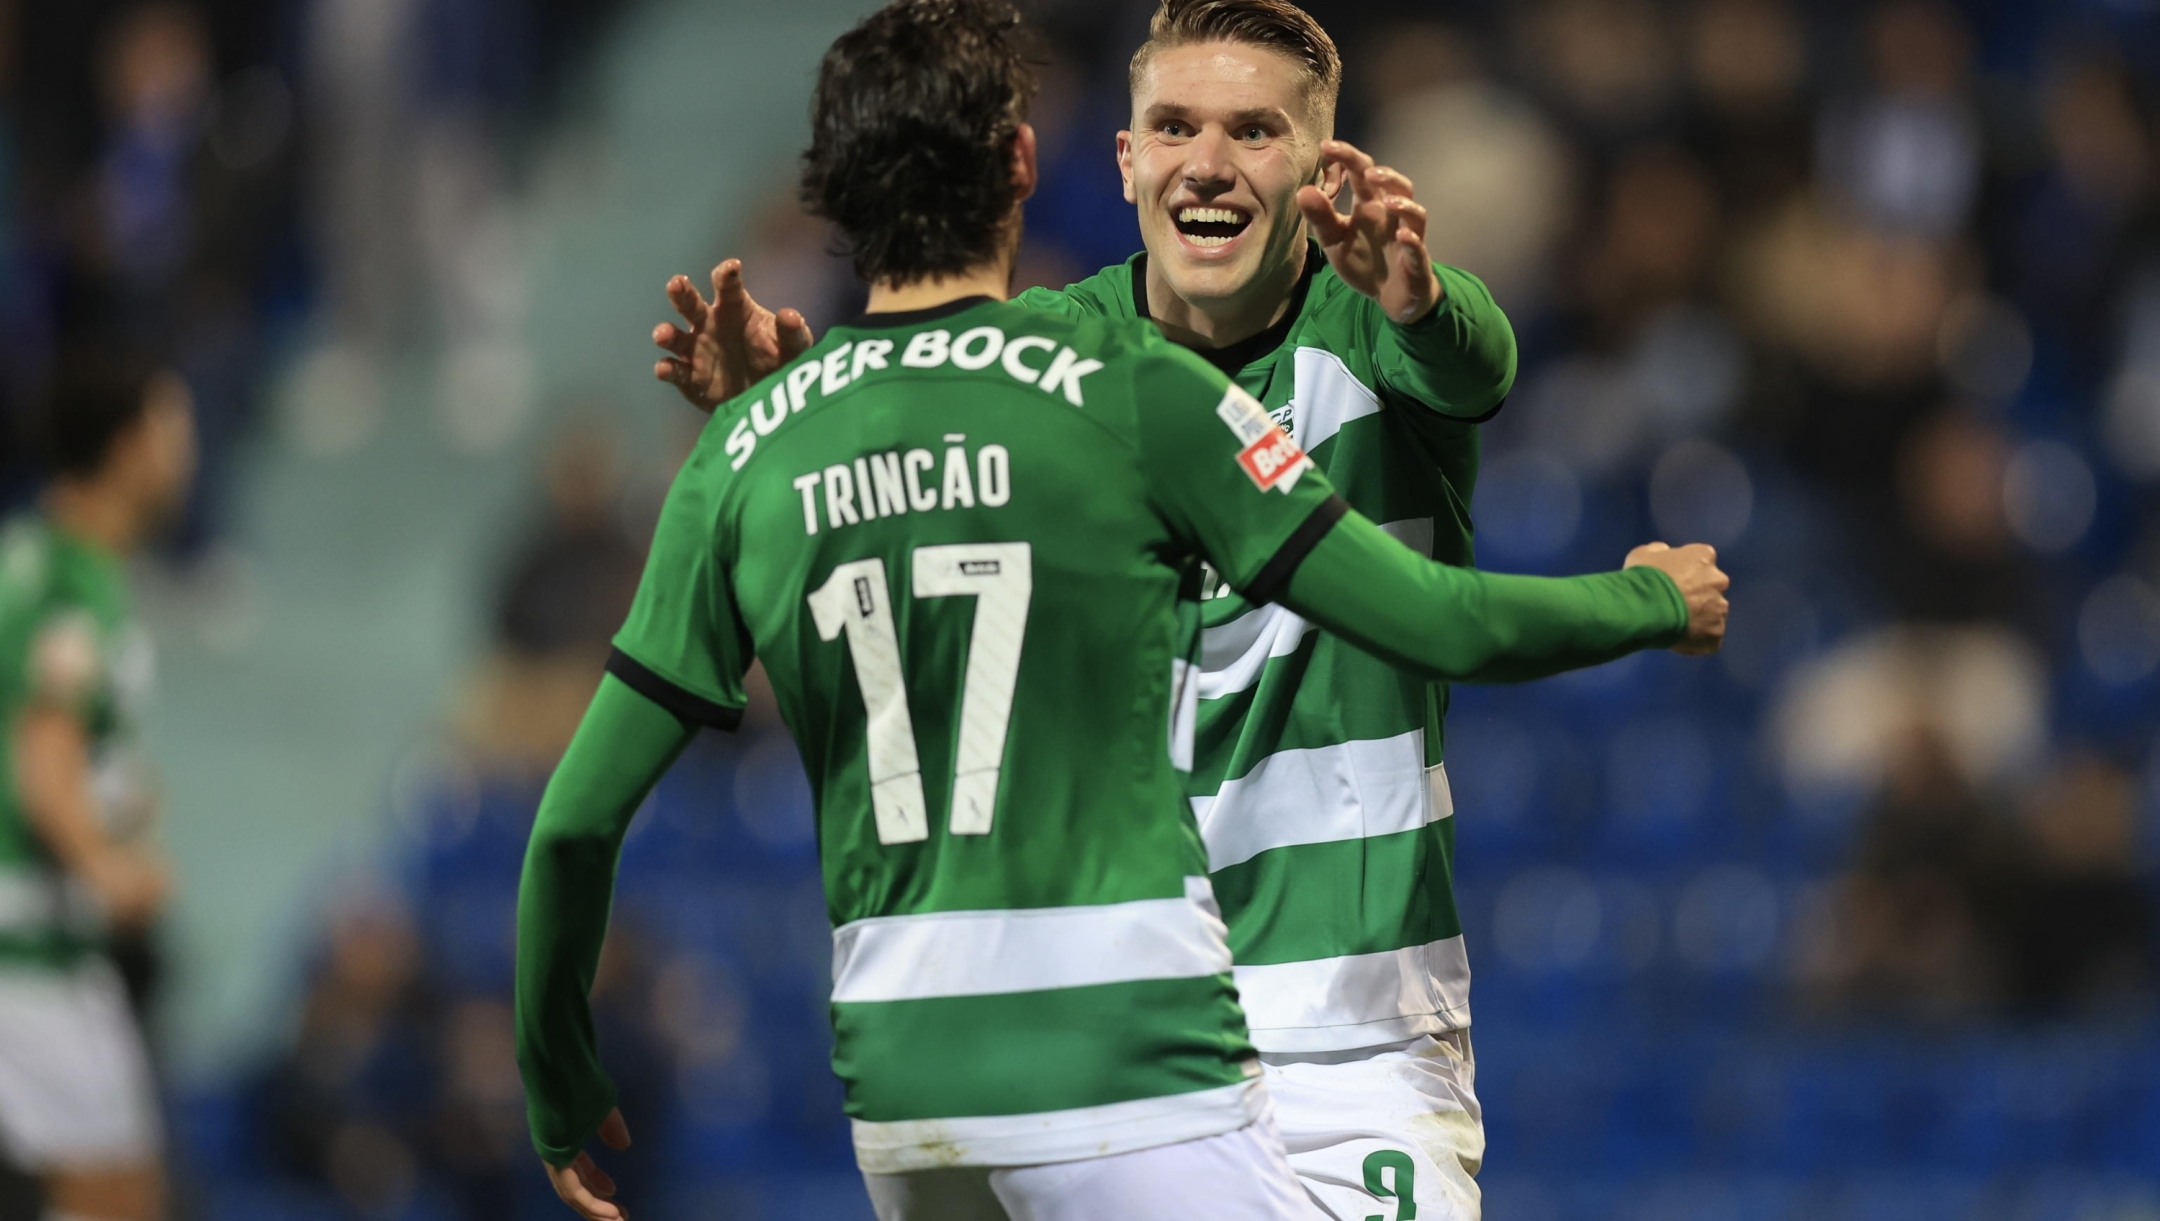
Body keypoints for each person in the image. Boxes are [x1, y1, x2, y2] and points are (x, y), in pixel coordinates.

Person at [520, 1, 1729, 1218]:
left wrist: (1418, 297)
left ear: (1321, 167)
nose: (1207, 160)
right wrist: (804, 402)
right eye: (1174, 126)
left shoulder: (1375, 324)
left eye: (1254, 131)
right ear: (1118, 159)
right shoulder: (1071, 359)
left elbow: (1477, 366)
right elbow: (915, 466)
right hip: (1137, 1013)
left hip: (1341, 1024)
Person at [0, 359, 196, 1221]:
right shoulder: (74, 585)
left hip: (38, 942)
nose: (186, 451)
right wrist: (106, 865)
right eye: (172, 427)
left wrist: (115, 795)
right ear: (128, 448)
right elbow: (41, 757)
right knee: (115, 1194)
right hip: (28, 942)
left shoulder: (37, 558)